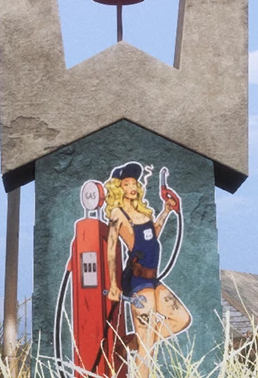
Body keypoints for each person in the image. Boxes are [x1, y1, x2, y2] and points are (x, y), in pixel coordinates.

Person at [99, 162, 188, 378]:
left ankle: (130, 343)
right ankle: (138, 347)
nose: (132, 187)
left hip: (153, 279)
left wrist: (165, 212)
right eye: (126, 184)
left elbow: (152, 235)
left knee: (181, 319)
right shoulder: (118, 214)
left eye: (134, 183)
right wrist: (113, 285)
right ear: (118, 188)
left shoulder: (142, 212)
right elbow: (111, 250)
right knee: (147, 349)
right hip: (138, 280)